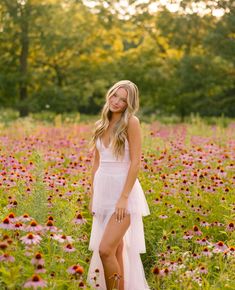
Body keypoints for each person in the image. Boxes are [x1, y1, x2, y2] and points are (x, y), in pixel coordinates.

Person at [87, 80, 150, 290]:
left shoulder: (131, 122)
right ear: (110, 93)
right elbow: (96, 163)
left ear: (129, 104)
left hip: (124, 194)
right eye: (115, 95)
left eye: (123, 100)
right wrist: (93, 196)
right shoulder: (101, 124)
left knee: (105, 250)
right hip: (103, 192)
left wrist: (123, 198)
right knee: (115, 249)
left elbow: (136, 162)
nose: (116, 101)